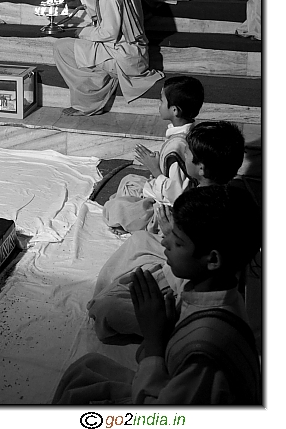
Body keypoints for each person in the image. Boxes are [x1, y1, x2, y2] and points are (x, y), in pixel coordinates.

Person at [54, 184, 261, 405]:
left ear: (212, 260)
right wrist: (168, 331)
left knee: (78, 397)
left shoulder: (204, 355)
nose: (164, 241)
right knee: (87, 368)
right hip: (171, 384)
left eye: (178, 242)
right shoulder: (220, 292)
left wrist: (154, 341)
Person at [89, 121, 248, 343]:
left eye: (189, 157)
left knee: (105, 307)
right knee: (138, 238)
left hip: (177, 275)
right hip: (180, 259)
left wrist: (168, 229)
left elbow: (186, 250)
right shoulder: (226, 199)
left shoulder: (204, 324)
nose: (185, 161)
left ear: (201, 167)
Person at [53, 0, 164, 117]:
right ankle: (100, 83)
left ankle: (88, 103)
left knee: (62, 48)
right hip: (133, 49)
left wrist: (83, 32)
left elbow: (109, 32)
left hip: (123, 55)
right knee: (82, 48)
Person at [103, 76, 205, 234]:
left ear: (174, 110)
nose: (159, 105)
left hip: (168, 212)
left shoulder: (178, 146)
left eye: (161, 101)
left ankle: (136, 224)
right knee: (128, 181)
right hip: (162, 192)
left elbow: (176, 197)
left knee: (116, 208)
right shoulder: (188, 133)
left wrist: (155, 169)